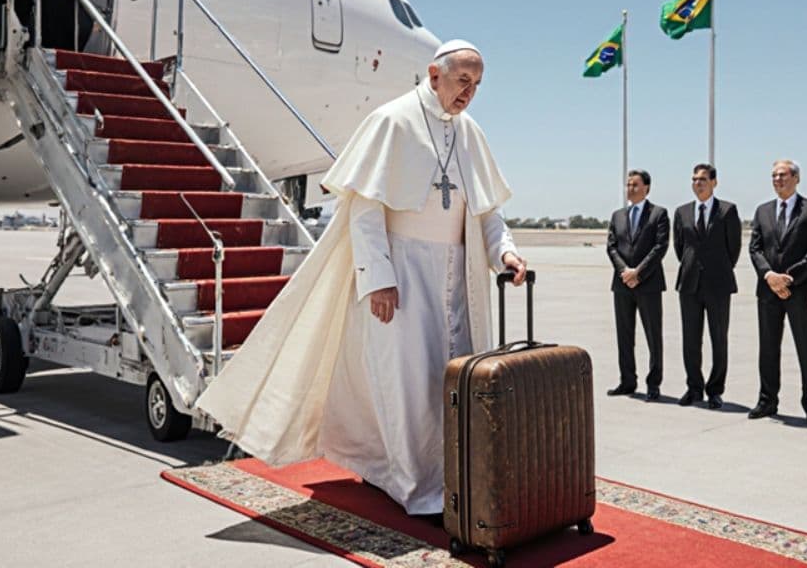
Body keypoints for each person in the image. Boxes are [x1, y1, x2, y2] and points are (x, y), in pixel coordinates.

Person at [196, 40, 527, 516]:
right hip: (405, 279)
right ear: (434, 75)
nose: (469, 93)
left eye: (476, 85)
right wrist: (377, 279)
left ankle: (457, 476)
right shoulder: (392, 121)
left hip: (461, 277)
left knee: (457, 382)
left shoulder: (469, 132)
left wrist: (507, 253)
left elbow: (487, 211)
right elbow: (365, 210)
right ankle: (419, 489)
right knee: (408, 386)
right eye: (462, 81)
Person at [747, 160, 807, 427]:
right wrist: (769, 276)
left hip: (799, 291)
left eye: (783, 175)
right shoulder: (763, 210)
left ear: (796, 178)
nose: (777, 179)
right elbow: (755, 248)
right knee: (768, 348)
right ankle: (767, 400)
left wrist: (788, 278)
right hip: (768, 291)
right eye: (774, 176)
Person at [673, 163, 741, 410]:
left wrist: (717, 268)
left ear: (714, 182)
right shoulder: (682, 212)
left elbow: (733, 248)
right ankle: (694, 387)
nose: (697, 183)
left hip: (718, 284)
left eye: (702, 179)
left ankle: (715, 390)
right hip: (689, 284)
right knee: (690, 339)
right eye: (694, 179)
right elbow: (680, 247)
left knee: (718, 338)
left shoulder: (727, 210)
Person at [606, 170, 670, 401]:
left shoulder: (659, 214)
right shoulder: (618, 215)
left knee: (653, 336)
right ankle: (627, 381)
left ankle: (654, 385)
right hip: (622, 285)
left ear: (647, 188)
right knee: (624, 336)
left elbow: (660, 247)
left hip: (649, 284)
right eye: (628, 184)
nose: (630, 189)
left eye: (635, 185)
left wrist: (638, 273)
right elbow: (612, 247)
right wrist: (624, 271)